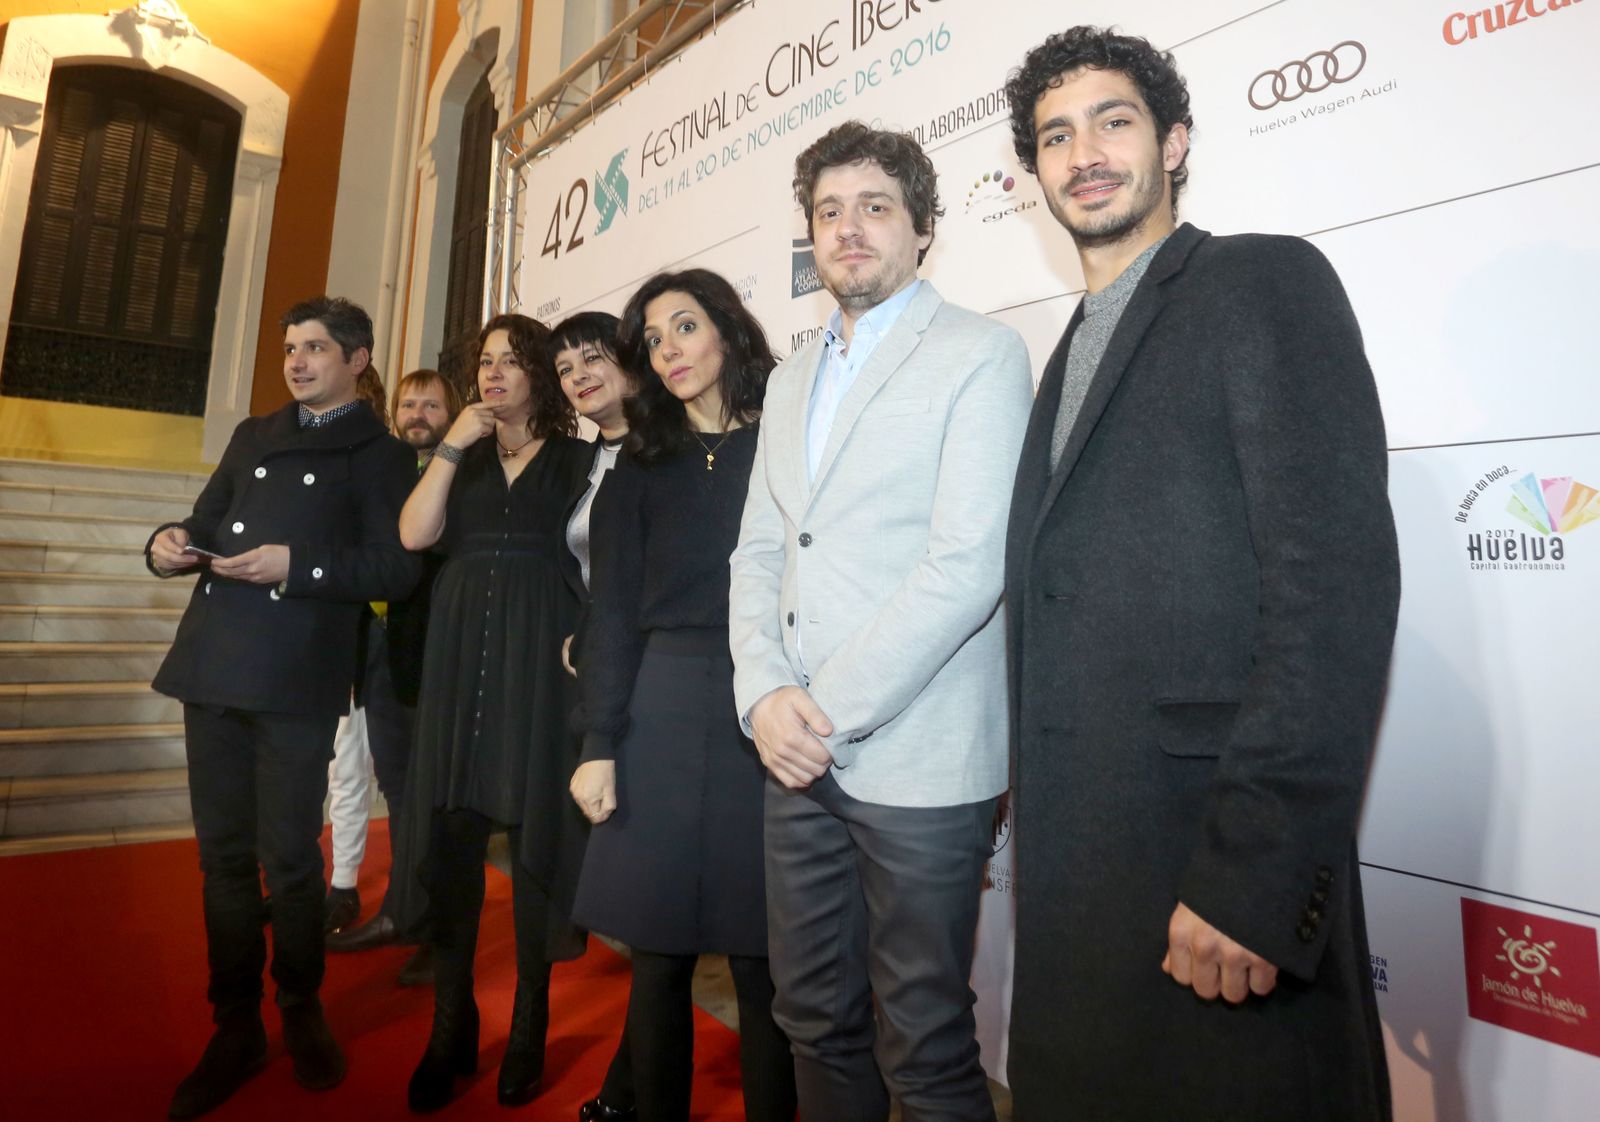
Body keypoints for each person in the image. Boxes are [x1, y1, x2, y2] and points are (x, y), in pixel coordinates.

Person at [1000, 27, 1400, 1121]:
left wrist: (1255, 878)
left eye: (1113, 121)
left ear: (1173, 143)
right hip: (1086, 871)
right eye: (1054, 134)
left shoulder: (1259, 281)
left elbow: (1333, 589)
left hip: (1207, 868)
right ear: (1031, 171)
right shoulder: (1065, 353)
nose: (1083, 152)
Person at [728, 121, 1033, 1122]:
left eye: (873, 208)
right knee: (811, 1018)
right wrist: (763, 694)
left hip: (917, 756)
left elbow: (967, 566)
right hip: (791, 756)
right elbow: (761, 553)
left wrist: (816, 710)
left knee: (926, 1044)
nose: (847, 229)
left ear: (922, 230)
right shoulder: (786, 379)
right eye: (827, 211)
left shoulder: (982, 355)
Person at [145, 296, 422, 1120]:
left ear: (358, 358)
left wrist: (295, 566)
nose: (298, 362)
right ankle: (234, 1024)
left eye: (316, 349)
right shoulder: (255, 434)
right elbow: (200, 521)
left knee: (291, 858)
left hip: (297, 677)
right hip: (213, 666)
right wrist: (167, 545)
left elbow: (394, 569)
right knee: (223, 859)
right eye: (291, 348)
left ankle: (299, 1005)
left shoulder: (378, 449)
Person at [572, 269, 797, 1122]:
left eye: (685, 327)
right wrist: (600, 742)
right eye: (654, 340)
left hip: (765, 701)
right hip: (659, 706)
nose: (669, 351)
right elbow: (614, 609)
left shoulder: (788, 439)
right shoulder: (639, 464)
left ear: (728, 330)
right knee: (658, 958)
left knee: (763, 960)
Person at [398, 315, 592, 1112]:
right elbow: (414, 535)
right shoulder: (462, 458)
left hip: (541, 666)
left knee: (538, 845)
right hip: (458, 667)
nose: (495, 374)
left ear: (542, 376)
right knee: (451, 847)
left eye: (513, 362)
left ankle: (529, 1025)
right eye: (485, 362)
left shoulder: (580, 462)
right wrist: (451, 445)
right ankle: (451, 1026)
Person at [327, 369, 463, 989]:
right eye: (408, 403)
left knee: (436, 800)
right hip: (379, 650)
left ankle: (440, 931)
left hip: (438, 655)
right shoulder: (382, 470)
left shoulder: (463, 475)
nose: (416, 413)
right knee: (401, 791)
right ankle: (407, 913)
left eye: (430, 404)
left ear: (451, 413)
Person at [548, 311, 642, 1122]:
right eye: (566, 366)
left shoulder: (671, 446)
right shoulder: (587, 462)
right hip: (608, 691)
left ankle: (627, 1089)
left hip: (666, 688)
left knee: (657, 909)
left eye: (592, 357)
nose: (579, 374)